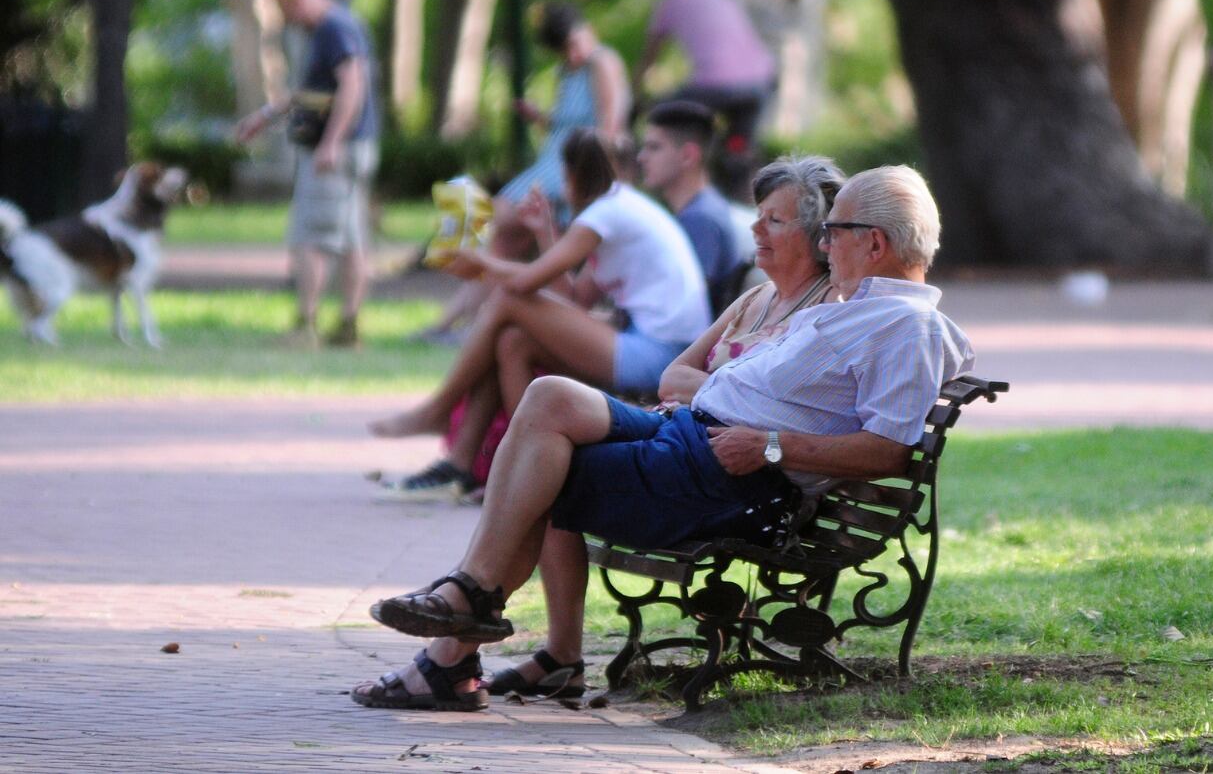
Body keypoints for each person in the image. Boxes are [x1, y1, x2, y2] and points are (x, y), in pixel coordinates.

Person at [349, 164, 976, 711]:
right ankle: (472, 600)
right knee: (549, 398)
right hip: (685, 432)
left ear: (874, 242)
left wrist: (771, 446)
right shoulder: (849, 306)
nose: (823, 242)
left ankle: (451, 649)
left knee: (537, 472)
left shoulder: (906, 326)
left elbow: (888, 450)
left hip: (728, 474)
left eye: (832, 230)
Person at [367, 129, 709, 487]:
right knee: (514, 340)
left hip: (660, 356)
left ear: (572, 176)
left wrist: (482, 263)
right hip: (651, 347)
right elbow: (574, 298)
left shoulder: (605, 213)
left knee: (509, 301)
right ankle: (483, 463)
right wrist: (545, 234)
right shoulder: (618, 209)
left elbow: (523, 285)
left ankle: (440, 410)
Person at [420, 2, 630, 344]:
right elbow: (566, 123)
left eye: (574, 45)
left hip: (571, 168)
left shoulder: (602, 62)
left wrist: (591, 180)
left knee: (497, 218)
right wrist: (539, 118)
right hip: (555, 162)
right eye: (565, 50)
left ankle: (463, 322)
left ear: (585, 30)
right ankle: (463, 323)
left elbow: (609, 124)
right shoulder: (567, 71)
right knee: (503, 242)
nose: (573, 55)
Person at [235, 0, 378, 348]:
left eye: (285, 10)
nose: (287, 20)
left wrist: (332, 141)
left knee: (312, 236)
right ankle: (348, 327)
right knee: (350, 239)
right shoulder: (333, 27)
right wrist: (265, 118)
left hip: (336, 151)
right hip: (351, 148)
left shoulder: (334, 29)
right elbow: (310, 93)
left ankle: (305, 326)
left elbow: (352, 84)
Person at [635, 0, 776, 152]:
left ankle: (685, 159)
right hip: (761, 80)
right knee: (741, 148)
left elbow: (650, 57)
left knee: (662, 113)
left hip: (714, 86)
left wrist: (634, 94)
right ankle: (740, 161)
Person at [638, 101, 742, 312]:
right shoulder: (700, 209)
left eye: (654, 148)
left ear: (688, 156)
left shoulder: (700, 218)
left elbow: (678, 306)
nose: (641, 158)